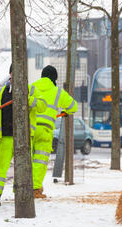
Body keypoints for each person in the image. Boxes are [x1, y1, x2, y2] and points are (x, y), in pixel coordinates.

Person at [0, 64, 47, 206]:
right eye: (15, 72)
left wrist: (30, 100)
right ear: (10, 73)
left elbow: (43, 106)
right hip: (6, 136)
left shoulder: (31, 90)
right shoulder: (2, 92)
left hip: (24, 137)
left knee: (24, 167)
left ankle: (22, 194)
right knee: (0, 166)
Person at [32, 65, 77, 198]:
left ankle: (22, 188)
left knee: (27, 159)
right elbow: (73, 107)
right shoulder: (57, 92)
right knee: (40, 161)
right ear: (54, 79)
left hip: (30, 129)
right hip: (45, 130)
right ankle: (35, 190)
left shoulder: (31, 87)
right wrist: (65, 112)